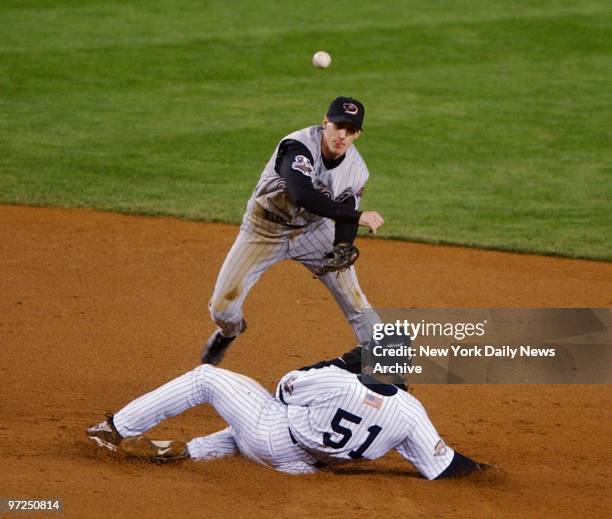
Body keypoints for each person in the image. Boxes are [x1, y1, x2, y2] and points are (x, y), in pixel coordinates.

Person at [86, 347, 491, 479]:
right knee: (257, 425)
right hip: (301, 466)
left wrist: (340, 362)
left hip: (271, 436)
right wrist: (483, 471)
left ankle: (113, 428)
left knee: (206, 378)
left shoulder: (339, 380)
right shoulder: (411, 412)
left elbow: (284, 389)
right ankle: (193, 450)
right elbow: (446, 464)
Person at [201, 96, 384, 364]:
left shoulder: (356, 170)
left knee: (356, 301)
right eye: (337, 126)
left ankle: (388, 365)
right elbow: (303, 194)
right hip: (263, 230)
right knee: (222, 310)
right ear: (325, 123)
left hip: (313, 231)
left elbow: (345, 211)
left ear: (358, 134)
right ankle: (230, 332)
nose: (342, 135)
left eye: (350, 130)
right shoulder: (297, 146)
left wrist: (344, 245)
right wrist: (358, 217)